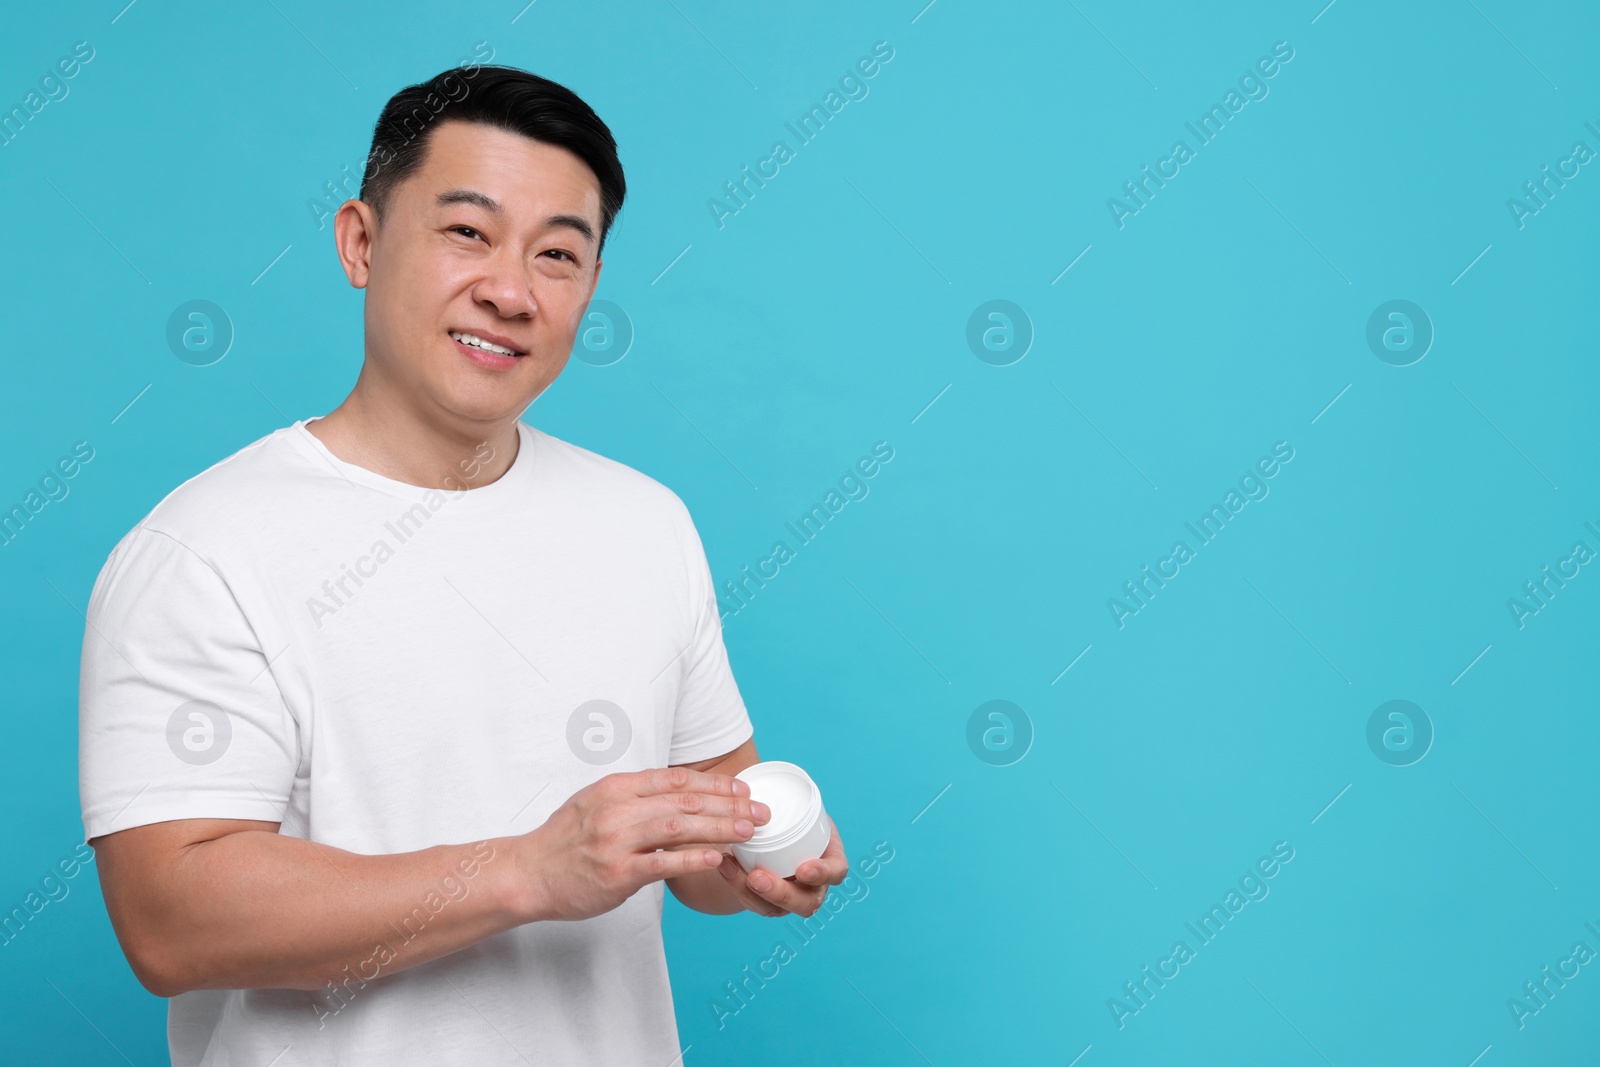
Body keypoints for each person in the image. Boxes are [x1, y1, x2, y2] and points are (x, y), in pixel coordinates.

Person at [77, 62, 849, 1066]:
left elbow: (700, 839)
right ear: (361, 241)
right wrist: (526, 871)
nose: (510, 290)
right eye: (466, 233)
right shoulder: (201, 551)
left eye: (559, 254)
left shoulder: (644, 521)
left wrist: (756, 855)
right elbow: (171, 921)